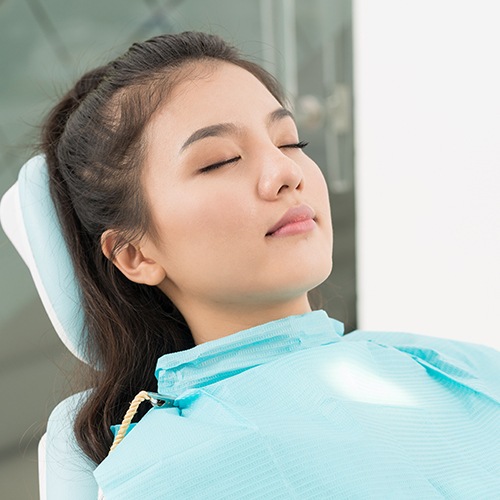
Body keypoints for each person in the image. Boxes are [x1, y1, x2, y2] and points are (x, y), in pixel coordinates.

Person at [21, 31, 500, 498]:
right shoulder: (174, 469)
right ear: (135, 253)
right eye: (220, 160)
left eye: (290, 143)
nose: (286, 173)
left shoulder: (441, 363)